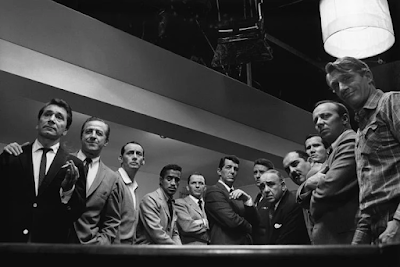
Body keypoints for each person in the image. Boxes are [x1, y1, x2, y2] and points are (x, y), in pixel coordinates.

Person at [325, 56, 400, 245]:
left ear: (367, 76)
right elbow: (370, 195)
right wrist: (357, 242)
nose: (341, 88)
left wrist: (398, 222)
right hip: (375, 229)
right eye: (335, 85)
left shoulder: (390, 102)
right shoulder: (360, 131)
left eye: (347, 79)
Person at [0, 98, 86, 243]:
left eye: (59, 117)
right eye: (47, 114)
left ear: (65, 130)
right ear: (38, 123)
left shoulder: (74, 164)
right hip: (8, 243)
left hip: (49, 247)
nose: (52, 119)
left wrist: (67, 190)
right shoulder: (13, 155)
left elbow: (76, 211)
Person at [307, 100, 359, 244]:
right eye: (316, 119)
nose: (319, 122)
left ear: (344, 119)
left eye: (325, 116)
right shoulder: (332, 151)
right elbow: (307, 189)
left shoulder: (350, 142)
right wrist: (308, 185)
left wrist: (312, 201)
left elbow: (328, 190)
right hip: (333, 237)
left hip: (342, 237)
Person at [67, 116, 122, 244]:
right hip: (54, 242)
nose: (93, 136)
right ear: (81, 136)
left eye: (99, 133)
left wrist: (101, 244)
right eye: (88, 131)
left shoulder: (112, 178)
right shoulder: (62, 161)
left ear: (106, 141)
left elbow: (112, 220)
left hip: (89, 246)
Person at [204, 155, 259, 245]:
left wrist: (247, 200)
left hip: (242, 247)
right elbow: (232, 221)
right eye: (228, 167)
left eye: (236, 169)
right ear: (219, 171)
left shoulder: (239, 194)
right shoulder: (213, 191)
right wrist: (251, 227)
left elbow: (255, 220)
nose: (232, 171)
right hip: (225, 249)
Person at [257, 169, 310, 244]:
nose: (266, 190)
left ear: (283, 186)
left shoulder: (294, 203)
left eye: (270, 184)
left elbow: (288, 240)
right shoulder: (263, 204)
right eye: (262, 186)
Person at [135, 164, 182, 244]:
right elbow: (157, 234)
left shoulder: (171, 203)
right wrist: (178, 250)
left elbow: (174, 232)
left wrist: (181, 251)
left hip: (164, 251)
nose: (173, 183)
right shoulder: (150, 199)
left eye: (176, 180)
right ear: (161, 180)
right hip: (147, 252)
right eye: (169, 179)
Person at [296, 134, 329, 243]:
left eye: (316, 145)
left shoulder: (334, 166)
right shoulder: (309, 174)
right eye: (308, 148)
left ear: (327, 149)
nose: (312, 150)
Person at [114, 141, 145, 244]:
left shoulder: (134, 186)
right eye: (130, 153)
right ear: (120, 158)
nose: (135, 157)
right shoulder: (113, 180)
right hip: (114, 247)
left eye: (138, 154)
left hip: (129, 247)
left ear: (143, 161)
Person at [175, 172, 210, 245]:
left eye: (201, 183)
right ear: (187, 187)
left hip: (209, 250)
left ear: (205, 188)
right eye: (193, 183)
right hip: (191, 250)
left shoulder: (208, 205)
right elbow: (187, 226)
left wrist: (198, 222)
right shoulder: (180, 203)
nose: (197, 186)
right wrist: (205, 222)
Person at [251, 158, 275, 244]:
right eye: (255, 172)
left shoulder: (275, 197)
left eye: (261, 172)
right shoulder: (258, 198)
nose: (257, 176)